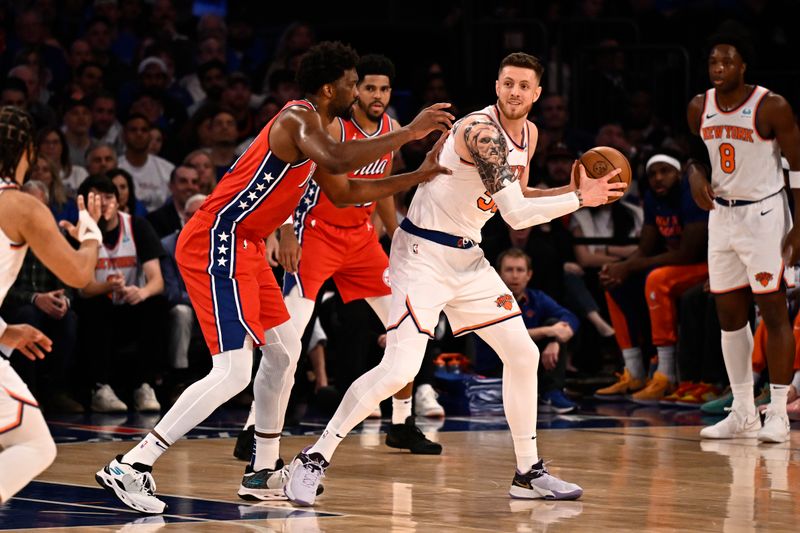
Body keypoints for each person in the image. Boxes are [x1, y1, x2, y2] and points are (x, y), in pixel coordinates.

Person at [95, 41, 454, 514]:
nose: (356, 90)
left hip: (246, 245)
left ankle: (263, 469)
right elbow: (341, 159)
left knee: (283, 354)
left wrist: (418, 177)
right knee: (233, 369)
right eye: (351, 82)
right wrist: (408, 133)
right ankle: (134, 465)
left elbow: (347, 192)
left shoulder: (319, 129)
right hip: (217, 239)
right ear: (330, 87)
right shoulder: (298, 119)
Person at [284, 52, 625, 506]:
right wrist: (580, 198)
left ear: (537, 94)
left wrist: (576, 193)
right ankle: (311, 459)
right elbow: (518, 215)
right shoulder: (481, 132)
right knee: (400, 369)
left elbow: (517, 193)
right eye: (508, 83)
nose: (515, 92)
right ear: (496, 85)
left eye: (524, 86)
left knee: (523, 353)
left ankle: (528, 473)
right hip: (422, 255)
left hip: (468, 257)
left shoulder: (530, 133)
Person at [233, 55, 442, 480]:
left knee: (407, 326)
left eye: (384, 89)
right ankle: (253, 428)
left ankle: (401, 422)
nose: (377, 96)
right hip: (316, 234)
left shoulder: (388, 128)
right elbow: (294, 183)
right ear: (353, 90)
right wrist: (287, 231)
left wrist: (396, 231)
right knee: (289, 337)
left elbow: (380, 187)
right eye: (368, 88)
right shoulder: (330, 128)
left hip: (362, 240)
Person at [687, 34, 800, 443]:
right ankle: (743, 412)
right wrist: (695, 175)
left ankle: (779, 413)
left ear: (743, 66)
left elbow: (798, 168)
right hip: (722, 215)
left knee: (773, 309)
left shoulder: (772, 106)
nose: (718, 68)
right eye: (713, 62)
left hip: (765, 214)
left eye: (727, 61)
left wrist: (799, 225)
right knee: (729, 317)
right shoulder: (700, 107)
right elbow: (693, 156)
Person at [0, 105, 102, 503]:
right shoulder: (21, 205)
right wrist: (89, 232)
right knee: (36, 447)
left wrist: (5, 331)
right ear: (27, 149)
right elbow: (79, 274)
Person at [595, 151, 709, 404]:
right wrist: (620, 267)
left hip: (706, 265)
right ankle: (634, 372)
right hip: (676, 266)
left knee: (656, 279)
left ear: (678, 173)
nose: (658, 178)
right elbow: (645, 248)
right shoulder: (652, 198)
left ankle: (666, 374)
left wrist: (630, 266)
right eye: (652, 174)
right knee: (613, 283)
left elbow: (688, 254)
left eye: (664, 172)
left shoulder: (690, 195)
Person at [75, 175, 166, 414]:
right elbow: (83, 288)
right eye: (96, 197)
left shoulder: (137, 226)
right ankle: (100, 388)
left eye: (109, 196)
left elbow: (157, 280)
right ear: (84, 203)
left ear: (118, 200)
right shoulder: (81, 233)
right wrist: (108, 287)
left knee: (155, 303)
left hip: (129, 305)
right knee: (95, 305)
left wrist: (141, 292)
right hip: (96, 307)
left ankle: (144, 386)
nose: (104, 203)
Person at [474, 248, 580, 413]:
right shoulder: (489, 300)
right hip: (496, 367)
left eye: (520, 270)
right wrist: (549, 331)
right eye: (509, 270)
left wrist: (556, 339)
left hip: (526, 364)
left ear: (529, 275)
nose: (515, 276)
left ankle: (552, 392)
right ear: (499, 274)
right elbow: (508, 336)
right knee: (552, 327)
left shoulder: (536, 297)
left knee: (555, 323)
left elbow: (569, 317)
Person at [146, 165, 200, 238]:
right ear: (171, 186)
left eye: (194, 182)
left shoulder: (211, 216)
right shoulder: (155, 220)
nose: (190, 187)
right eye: (183, 181)